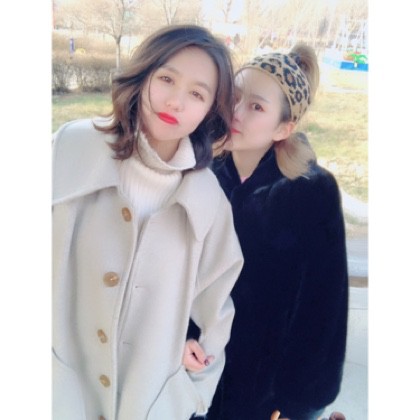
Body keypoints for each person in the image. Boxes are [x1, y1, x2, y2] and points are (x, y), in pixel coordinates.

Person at [52, 24, 244, 420]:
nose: (176, 101)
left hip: (148, 404)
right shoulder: (69, 148)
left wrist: (190, 390)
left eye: (197, 94)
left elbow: (216, 310)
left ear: (210, 109)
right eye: (167, 79)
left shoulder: (208, 200)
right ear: (143, 76)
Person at [183, 44, 349, 420]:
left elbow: (323, 308)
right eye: (234, 97)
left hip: (265, 393)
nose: (236, 112)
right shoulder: (199, 171)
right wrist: (180, 339)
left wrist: (298, 405)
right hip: (196, 371)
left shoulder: (311, 193)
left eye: (256, 107)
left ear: (283, 128)